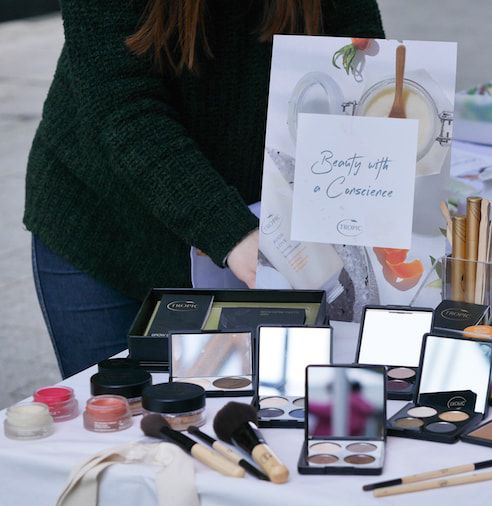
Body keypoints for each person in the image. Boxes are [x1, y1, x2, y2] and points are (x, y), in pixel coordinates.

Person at [25, 0, 384, 378]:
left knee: (245, 411)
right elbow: (124, 107)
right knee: (115, 414)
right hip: (109, 227)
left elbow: (358, 45)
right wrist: (230, 231)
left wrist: (364, 74)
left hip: (254, 221)